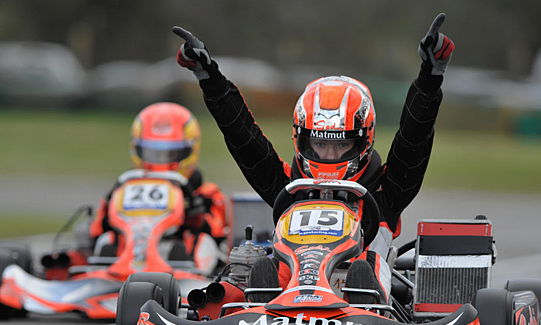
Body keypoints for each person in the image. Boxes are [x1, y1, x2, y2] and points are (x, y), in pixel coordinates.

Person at [171, 13, 455, 304]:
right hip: (284, 298)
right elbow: (245, 139)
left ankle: (361, 295)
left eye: (342, 144)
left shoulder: (386, 193)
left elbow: (413, 139)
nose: (330, 155)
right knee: (259, 266)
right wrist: (209, 79)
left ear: (363, 140)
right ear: (302, 140)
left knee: (364, 266)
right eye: (320, 143)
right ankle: (261, 298)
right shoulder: (290, 187)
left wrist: (430, 77)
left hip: (361, 302)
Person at [89, 102, 228, 271]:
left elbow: (217, 233)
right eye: (152, 153)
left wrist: (194, 216)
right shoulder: (124, 187)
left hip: (179, 259)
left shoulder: (205, 193)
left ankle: (190, 275)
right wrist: (109, 214)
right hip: (128, 256)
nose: (160, 161)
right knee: (107, 240)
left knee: (202, 242)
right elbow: (96, 232)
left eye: (171, 153)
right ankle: (108, 273)